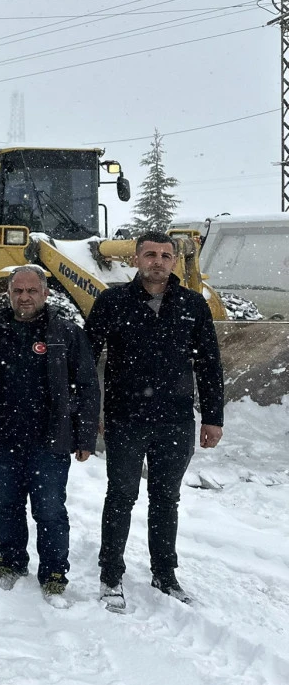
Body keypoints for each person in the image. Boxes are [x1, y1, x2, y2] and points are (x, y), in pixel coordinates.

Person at [85, 231, 224, 611]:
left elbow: (210, 366)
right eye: (150, 254)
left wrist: (212, 417)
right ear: (135, 259)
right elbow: (84, 361)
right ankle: (111, 575)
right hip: (125, 418)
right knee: (121, 496)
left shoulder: (192, 305)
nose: (158, 261)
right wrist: (90, 412)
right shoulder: (113, 302)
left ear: (175, 262)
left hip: (175, 420)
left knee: (166, 499)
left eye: (165, 255)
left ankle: (165, 573)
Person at [0, 265, 98, 606]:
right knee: (7, 505)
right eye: (18, 291)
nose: (24, 297)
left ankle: (55, 573)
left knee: (50, 509)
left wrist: (85, 436)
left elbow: (87, 385)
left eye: (31, 291)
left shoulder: (66, 334)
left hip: (50, 438)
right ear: (9, 293)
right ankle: (12, 562)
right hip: (2, 436)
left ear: (45, 294)